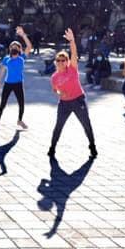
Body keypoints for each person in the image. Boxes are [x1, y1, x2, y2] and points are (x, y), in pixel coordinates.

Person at [48, 28, 97, 160]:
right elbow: (55, 90)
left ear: (67, 61)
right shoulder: (54, 77)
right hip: (64, 103)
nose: (61, 62)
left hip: (78, 100)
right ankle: (52, 148)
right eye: (58, 60)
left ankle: (92, 147)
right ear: (55, 62)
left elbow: (74, 53)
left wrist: (72, 41)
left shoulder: (72, 69)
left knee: (86, 124)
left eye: (63, 60)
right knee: (58, 126)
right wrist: (60, 92)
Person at [0, 26, 33, 131]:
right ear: (10, 49)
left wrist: (23, 35)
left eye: (16, 47)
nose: (14, 48)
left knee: (21, 104)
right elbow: (2, 71)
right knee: (2, 104)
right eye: (12, 47)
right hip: (8, 84)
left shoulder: (22, 58)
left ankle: (19, 120)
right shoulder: (6, 58)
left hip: (18, 84)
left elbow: (29, 46)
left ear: (19, 49)